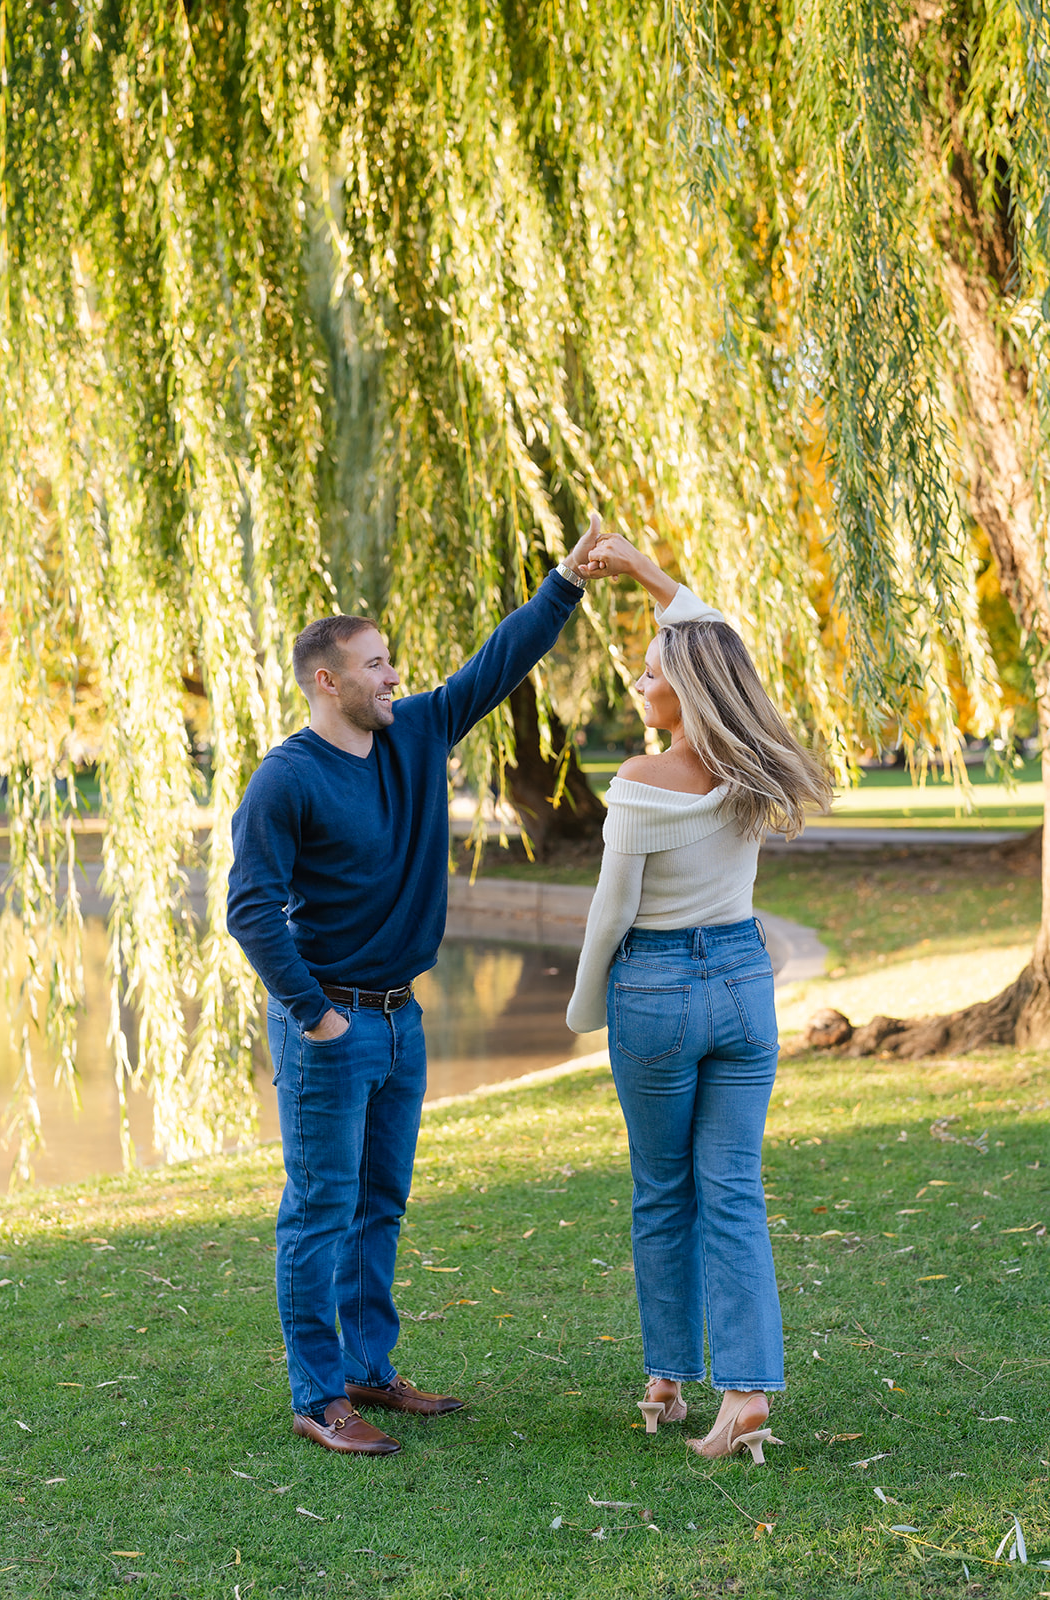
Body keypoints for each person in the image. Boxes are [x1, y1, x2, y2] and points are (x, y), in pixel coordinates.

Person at [228, 521, 602, 1456]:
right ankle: (320, 1397)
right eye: (376, 663)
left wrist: (562, 581)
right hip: (331, 1023)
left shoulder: (417, 731)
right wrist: (312, 1013)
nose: (394, 676)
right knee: (318, 1211)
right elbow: (251, 909)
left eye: (392, 661)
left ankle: (367, 1369)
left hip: (402, 1018)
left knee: (379, 1204)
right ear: (327, 680)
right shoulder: (287, 780)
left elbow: (494, 664)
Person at [566, 531, 831, 1462]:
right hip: (745, 984)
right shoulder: (752, 766)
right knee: (733, 1193)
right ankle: (746, 1391)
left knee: (660, 1190)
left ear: (686, 689)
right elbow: (719, 639)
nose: (637, 688)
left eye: (649, 676)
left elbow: (609, 916)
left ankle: (667, 1379)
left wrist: (582, 1009)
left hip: (658, 989)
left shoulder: (641, 783)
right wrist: (646, 574)